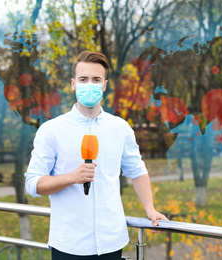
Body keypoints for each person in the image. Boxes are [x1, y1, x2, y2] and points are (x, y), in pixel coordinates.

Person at [25, 51, 168, 259]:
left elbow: (137, 172)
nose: (89, 84)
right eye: (83, 79)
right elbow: (32, 184)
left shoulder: (120, 128)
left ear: (104, 85)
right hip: (69, 245)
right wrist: (72, 177)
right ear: (73, 84)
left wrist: (150, 209)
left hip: (112, 242)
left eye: (96, 79)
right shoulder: (51, 130)